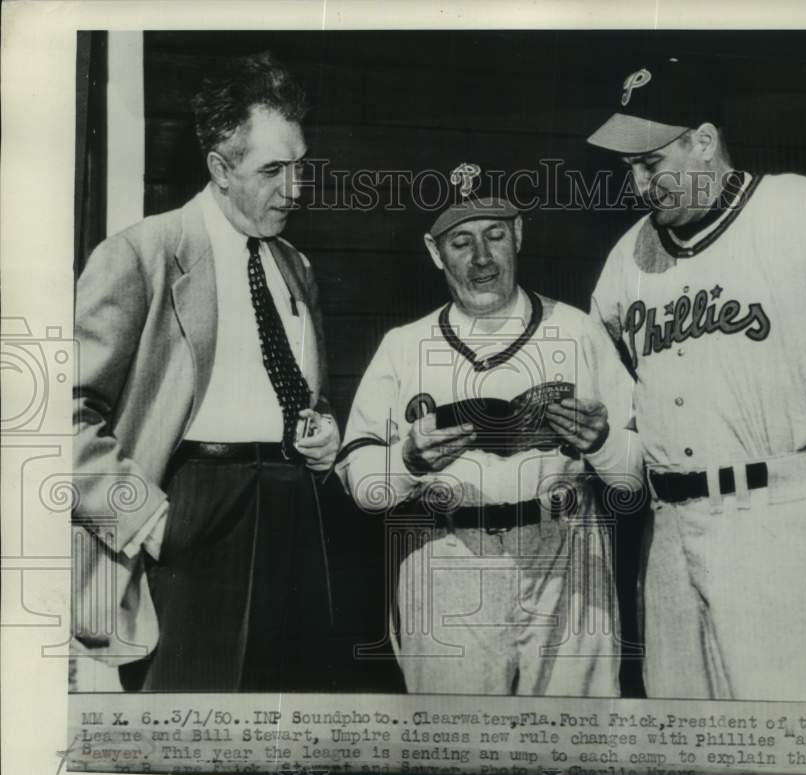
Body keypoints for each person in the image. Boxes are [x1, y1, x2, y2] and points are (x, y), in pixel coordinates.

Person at [585, 61, 806, 703]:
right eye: (629, 169)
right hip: (668, 531)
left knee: (802, 751)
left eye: (652, 162)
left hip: (776, 516)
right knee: (689, 756)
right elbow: (618, 393)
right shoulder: (628, 258)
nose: (640, 185)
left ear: (703, 140)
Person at [72, 53, 342, 692]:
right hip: (189, 509)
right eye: (272, 170)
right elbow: (63, 416)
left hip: (292, 509)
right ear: (220, 168)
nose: (295, 189)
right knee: (187, 726)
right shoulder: (142, 255)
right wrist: (148, 519)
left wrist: (323, 436)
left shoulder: (297, 266)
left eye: (300, 165)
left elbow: (299, 394)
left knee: (287, 724)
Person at [335, 164, 642, 696]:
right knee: (454, 749)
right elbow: (363, 486)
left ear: (518, 234)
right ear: (435, 253)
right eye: (461, 242)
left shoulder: (579, 331)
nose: (482, 258)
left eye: (495, 235)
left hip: (565, 550)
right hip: (446, 551)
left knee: (577, 744)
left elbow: (636, 477)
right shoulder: (403, 346)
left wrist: (603, 442)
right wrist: (409, 459)